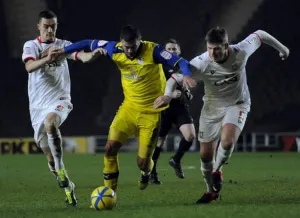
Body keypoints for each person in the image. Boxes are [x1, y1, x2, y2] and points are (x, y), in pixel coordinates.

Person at [154, 27, 289, 203]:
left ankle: (217, 170)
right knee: (205, 155)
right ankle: (211, 191)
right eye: (209, 48)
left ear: (226, 46)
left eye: (216, 48)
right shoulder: (201, 62)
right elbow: (174, 79)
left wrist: (283, 49)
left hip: (237, 104)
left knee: (227, 140)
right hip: (211, 108)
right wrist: (166, 95)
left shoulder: (240, 51)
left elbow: (261, 35)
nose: (212, 52)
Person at [59, 25, 196, 192]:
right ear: (121, 43)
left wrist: (187, 74)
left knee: (143, 163)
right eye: (126, 47)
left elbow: (180, 61)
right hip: (128, 109)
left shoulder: (154, 50)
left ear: (140, 42)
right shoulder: (113, 48)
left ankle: (146, 173)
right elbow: (87, 42)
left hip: (151, 113)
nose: (129, 51)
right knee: (109, 148)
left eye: (132, 47)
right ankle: (110, 193)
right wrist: (62, 50)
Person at [21, 10, 101, 207]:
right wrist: (47, 59)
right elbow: (29, 67)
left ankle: (61, 168)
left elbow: (81, 56)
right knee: (49, 155)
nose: (50, 30)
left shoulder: (63, 45)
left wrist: (94, 55)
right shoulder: (31, 45)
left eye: (53, 26)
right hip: (37, 106)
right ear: (39, 27)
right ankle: (68, 187)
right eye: (46, 26)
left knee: (51, 124)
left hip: (60, 99)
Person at [150, 39, 196, 184]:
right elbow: (150, 89)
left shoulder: (183, 68)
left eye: (174, 49)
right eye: (169, 49)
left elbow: (187, 91)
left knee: (190, 136)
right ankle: (152, 173)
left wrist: (185, 94)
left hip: (179, 107)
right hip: (163, 109)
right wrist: (166, 95)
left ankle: (176, 160)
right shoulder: (158, 67)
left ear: (179, 51)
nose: (172, 51)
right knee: (159, 142)